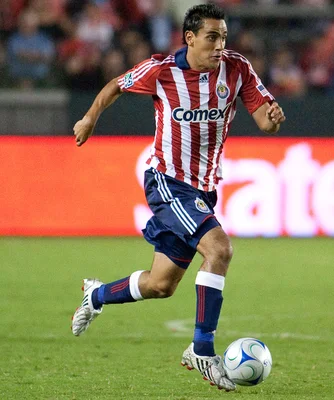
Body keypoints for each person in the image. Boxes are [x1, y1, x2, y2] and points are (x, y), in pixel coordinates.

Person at [70, 3, 285, 392]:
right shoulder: (162, 70)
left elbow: (262, 116)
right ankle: (202, 349)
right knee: (219, 250)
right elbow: (115, 85)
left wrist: (270, 120)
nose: (220, 44)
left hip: (203, 187)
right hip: (167, 181)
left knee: (160, 284)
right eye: (212, 37)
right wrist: (89, 118)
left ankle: (96, 294)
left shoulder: (237, 69)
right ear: (190, 37)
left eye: (223, 36)